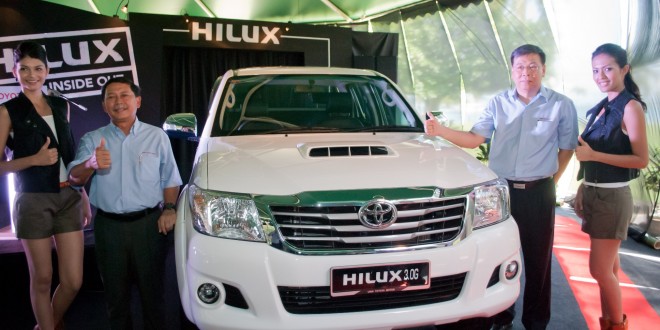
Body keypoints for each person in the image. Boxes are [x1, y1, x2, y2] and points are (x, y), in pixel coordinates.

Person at [425, 44, 578, 329]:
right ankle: (500, 316)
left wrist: (550, 182)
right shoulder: (498, 103)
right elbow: (475, 138)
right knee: (496, 256)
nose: (526, 73)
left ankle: (535, 321)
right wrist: (440, 131)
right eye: (520, 67)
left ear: (543, 70)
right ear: (512, 70)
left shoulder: (561, 105)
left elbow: (567, 149)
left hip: (539, 192)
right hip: (500, 194)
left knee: (538, 262)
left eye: (533, 66)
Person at [67, 77, 182, 329]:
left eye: (124, 95)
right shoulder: (93, 139)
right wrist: (90, 164)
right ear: (104, 106)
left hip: (150, 225)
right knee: (115, 298)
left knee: (154, 297)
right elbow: (74, 179)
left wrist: (170, 209)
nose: (118, 101)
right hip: (109, 228)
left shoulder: (157, 136)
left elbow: (170, 178)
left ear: (137, 101)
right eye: (111, 97)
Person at [0, 41, 91, 330]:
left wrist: (83, 193)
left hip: (69, 196)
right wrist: (33, 160)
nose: (31, 75)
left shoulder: (61, 104)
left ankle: (45, 324)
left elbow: (69, 154)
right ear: (14, 71)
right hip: (32, 200)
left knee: (74, 280)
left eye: (38, 68)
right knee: (41, 277)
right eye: (24, 69)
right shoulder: (7, 111)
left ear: (47, 71)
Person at [573, 43, 648, 330]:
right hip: (596, 192)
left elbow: (640, 160)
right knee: (609, 269)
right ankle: (609, 323)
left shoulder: (630, 107)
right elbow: (590, 155)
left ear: (624, 70)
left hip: (613, 196)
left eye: (608, 68)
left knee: (599, 270)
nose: (600, 75)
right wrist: (583, 186)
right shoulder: (605, 106)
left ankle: (616, 324)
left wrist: (593, 156)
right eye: (595, 70)